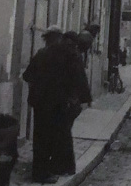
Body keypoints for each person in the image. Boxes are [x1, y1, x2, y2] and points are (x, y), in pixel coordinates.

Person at [23, 26, 85, 184]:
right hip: (57, 104)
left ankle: (40, 172)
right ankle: (46, 173)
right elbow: (75, 78)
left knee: (40, 139)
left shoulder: (41, 54)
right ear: (60, 38)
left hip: (40, 103)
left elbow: (27, 76)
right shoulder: (66, 55)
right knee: (54, 138)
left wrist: (37, 88)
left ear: (47, 39)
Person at [49, 31, 92, 177]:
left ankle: (64, 166)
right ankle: (64, 166)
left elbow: (76, 79)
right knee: (64, 133)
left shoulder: (70, 56)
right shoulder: (75, 56)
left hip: (67, 101)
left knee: (62, 133)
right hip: (72, 102)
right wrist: (86, 99)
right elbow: (82, 80)